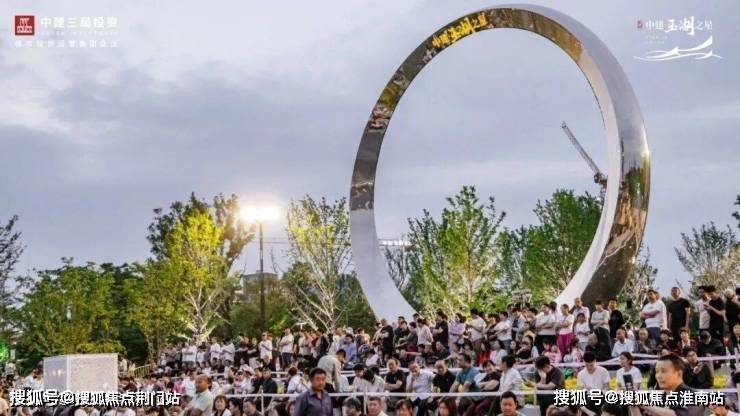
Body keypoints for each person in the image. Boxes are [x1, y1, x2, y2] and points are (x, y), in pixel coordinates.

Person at [630, 354, 704, 416]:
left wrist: (645, 405)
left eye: (663, 371)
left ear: (679, 374)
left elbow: (678, 414)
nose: (658, 376)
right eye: (657, 371)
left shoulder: (691, 395)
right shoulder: (660, 398)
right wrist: (632, 405)